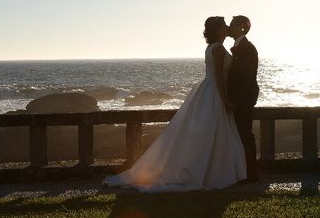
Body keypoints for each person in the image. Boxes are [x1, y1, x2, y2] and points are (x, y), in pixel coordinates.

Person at [103, 17, 246, 192]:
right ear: (217, 30)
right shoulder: (217, 49)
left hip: (208, 90)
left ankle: (210, 171)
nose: (227, 28)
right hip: (214, 91)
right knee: (211, 132)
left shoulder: (212, 47)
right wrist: (225, 100)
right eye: (224, 26)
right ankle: (210, 172)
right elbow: (218, 77)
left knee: (210, 132)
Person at [227, 15, 260, 181]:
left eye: (231, 24)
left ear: (240, 27)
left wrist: (236, 101)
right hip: (240, 99)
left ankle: (251, 172)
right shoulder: (239, 46)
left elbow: (246, 78)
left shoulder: (247, 48)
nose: (228, 26)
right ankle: (242, 170)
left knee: (245, 134)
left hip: (243, 100)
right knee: (240, 134)